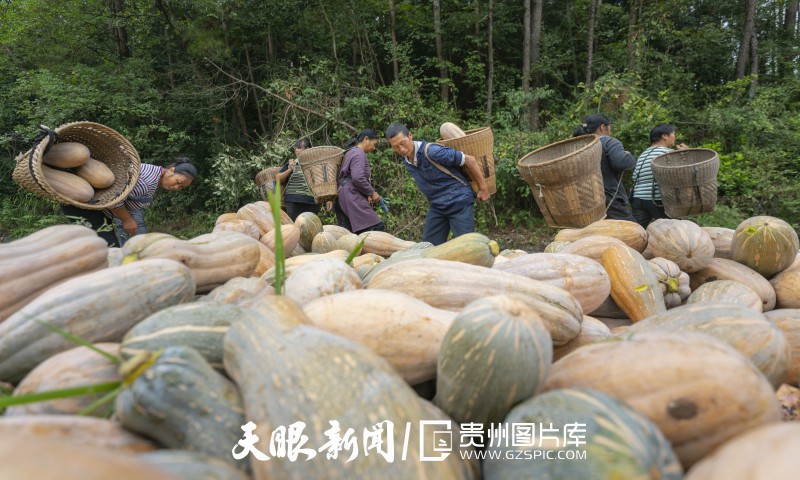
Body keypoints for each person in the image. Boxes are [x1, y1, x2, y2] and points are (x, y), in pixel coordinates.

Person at [385, 122, 489, 245]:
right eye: (396, 147)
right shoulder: (406, 160)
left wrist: (483, 188)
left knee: (466, 246)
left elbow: (470, 160)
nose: (401, 149)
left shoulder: (432, 152)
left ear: (410, 136)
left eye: (403, 143)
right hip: (438, 207)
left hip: (459, 201)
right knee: (429, 247)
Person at [60, 157, 197, 247]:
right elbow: (114, 199)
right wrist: (127, 220)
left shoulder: (153, 172)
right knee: (108, 247)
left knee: (101, 245)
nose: (176, 187)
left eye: (181, 187)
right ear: (171, 170)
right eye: (178, 182)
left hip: (93, 206)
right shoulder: (147, 181)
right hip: (82, 206)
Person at [573, 114, 636, 222]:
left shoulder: (579, 147)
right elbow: (621, 163)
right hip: (610, 199)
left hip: (586, 200)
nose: (610, 131)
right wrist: (629, 156)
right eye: (610, 127)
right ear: (603, 127)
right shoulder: (608, 141)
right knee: (636, 234)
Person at [631, 123, 688, 228]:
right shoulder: (668, 153)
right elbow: (684, 174)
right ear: (664, 136)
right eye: (673, 134)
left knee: (637, 232)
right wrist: (686, 154)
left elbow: (635, 177)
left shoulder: (642, 155)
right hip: (657, 199)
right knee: (675, 231)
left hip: (638, 198)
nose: (674, 137)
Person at [335, 129, 385, 234]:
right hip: (351, 196)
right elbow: (358, 177)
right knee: (376, 227)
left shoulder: (351, 152)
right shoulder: (359, 154)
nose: (374, 148)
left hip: (342, 195)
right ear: (366, 139)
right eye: (374, 144)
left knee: (350, 234)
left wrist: (366, 194)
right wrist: (372, 193)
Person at [276, 137, 332, 220]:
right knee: (293, 228)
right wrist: (289, 170)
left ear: (308, 149)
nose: (296, 150)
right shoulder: (293, 163)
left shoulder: (317, 163)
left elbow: (325, 180)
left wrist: (329, 199)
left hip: (312, 201)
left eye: (299, 148)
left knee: (310, 227)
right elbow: (278, 178)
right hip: (293, 200)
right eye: (295, 148)